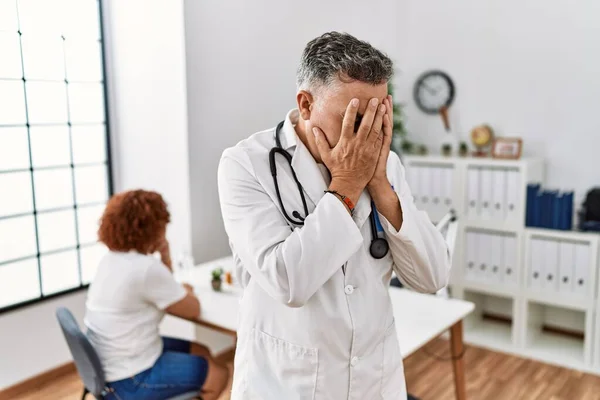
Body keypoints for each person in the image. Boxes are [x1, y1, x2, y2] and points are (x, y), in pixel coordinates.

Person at [217, 32, 451, 399]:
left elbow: (433, 276)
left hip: (374, 379)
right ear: (306, 105)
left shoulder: (386, 166)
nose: (368, 135)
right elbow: (287, 282)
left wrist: (380, 186)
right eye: (355, 118)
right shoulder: (246, 164)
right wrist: (346, 184)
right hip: (286, 383)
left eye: (378, 118)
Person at [84, 189, 229, 400]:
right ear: (152, 229)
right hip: (130, 378)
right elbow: (192, 308)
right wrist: (178, 282)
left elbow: (167, 291)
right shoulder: (145, 269)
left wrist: (166, 260)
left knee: (202, 351)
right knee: (220, 374)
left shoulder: (110, 260)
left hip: (108, 365)